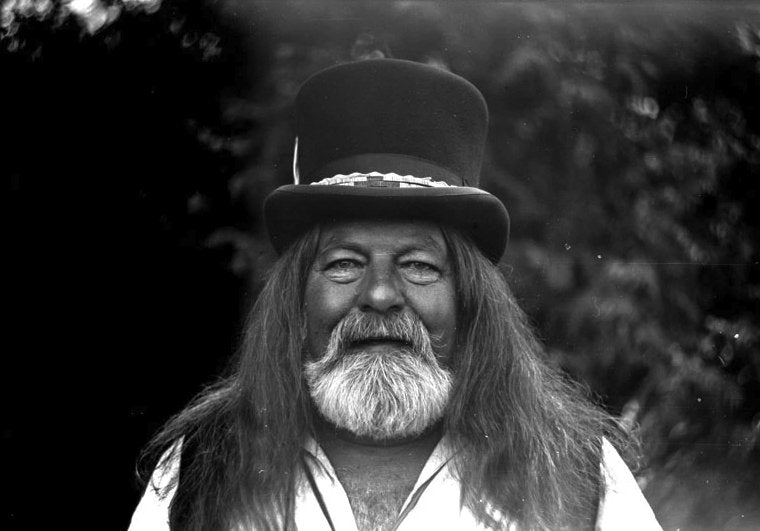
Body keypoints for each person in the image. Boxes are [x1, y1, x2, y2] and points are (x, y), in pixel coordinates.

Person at [130, 59, 662, 531]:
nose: (381, 294)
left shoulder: (579, 473)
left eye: (418, 266)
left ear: (469, 300)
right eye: (344, 263)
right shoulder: (198, 471)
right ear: (295, 298)